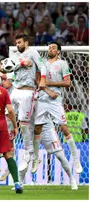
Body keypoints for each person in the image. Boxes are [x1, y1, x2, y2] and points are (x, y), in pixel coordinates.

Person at [32, 41, 83, 174]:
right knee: (37, 128)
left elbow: (68, 82)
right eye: (49, 47)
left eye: (53, 48)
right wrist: (46, 88)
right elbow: (38, 80)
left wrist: (50, 83)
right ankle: (35, 159)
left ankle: (76, 161)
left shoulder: (62, 64)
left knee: (64, 128)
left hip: (56, 101)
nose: (50, 49)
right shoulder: (42, 63)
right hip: (43, 99)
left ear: (58, 51)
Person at [9, 33, 46, 172]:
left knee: (24, 124)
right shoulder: (14, 55)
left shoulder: (33, 52)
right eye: (16, 43)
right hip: (15, 90)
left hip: (27, 92)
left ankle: (27, 153)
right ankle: (5, 148)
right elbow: (10, 70)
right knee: (7, 117)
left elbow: (42, 66)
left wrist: (42, 80)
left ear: (26, 42)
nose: (17, 45)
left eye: (19, 42)